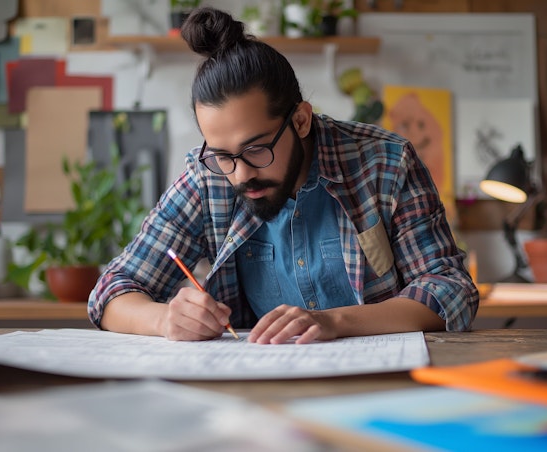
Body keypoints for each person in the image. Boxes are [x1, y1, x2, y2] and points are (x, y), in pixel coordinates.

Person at [88, 6, 479, 344]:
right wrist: (165, 319)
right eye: (223, 155)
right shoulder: (207, 178)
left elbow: (450, 289)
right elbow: (111, 291)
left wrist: (333, 321)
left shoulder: (386, 163)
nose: (240, 174)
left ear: (301, 120)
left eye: (257, 149)